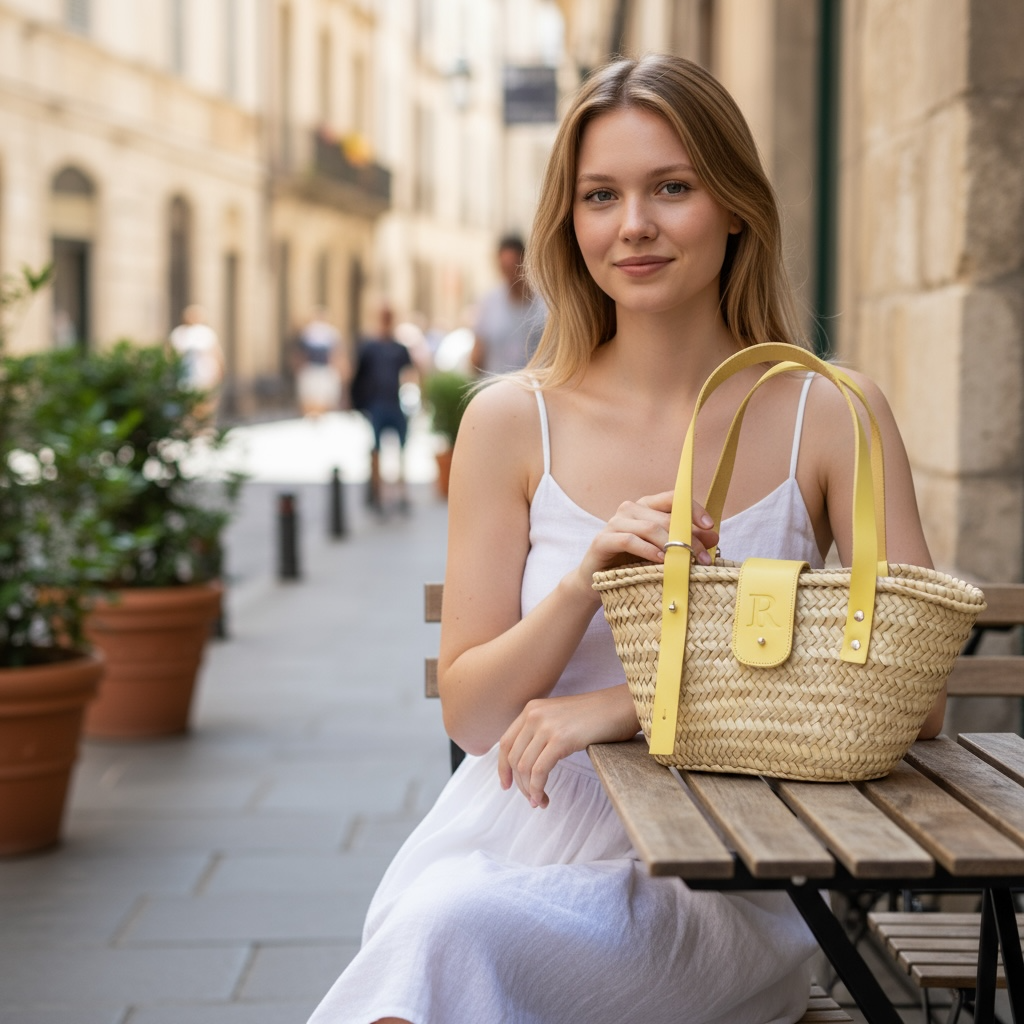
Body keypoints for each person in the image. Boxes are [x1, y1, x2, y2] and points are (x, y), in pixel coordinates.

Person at [307, 53, 939, 1024]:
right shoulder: (511, 421)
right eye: (599, 195)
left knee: (443, 943)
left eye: (670, 188)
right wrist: (580, 585)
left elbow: (915, 695)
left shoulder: (829, 412)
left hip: (724, 870)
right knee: (441, 928)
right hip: (513, 833)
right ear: (570, 224)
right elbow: (476, 720)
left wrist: (619, 706)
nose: (632, 224)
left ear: (733, 207)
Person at [350, 305, 415, 512]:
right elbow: (358, 377)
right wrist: (358, 404)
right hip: (377, 404)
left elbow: (410, 373)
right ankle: (377, 495)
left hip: (395, 404)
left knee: (402, 450)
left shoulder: (399, 348)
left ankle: (401, 493)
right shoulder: (369, 347)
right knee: (377, 450)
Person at [470, 233, 547, 375]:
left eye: (513, 267)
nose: (509, 274)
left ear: (524, 262)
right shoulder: (488, 302)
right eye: (504, 267)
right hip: (494, 388)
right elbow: (477, 355)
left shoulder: (545, 305)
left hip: (534, 391)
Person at [168, 304, 224, 420]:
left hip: (204, 373)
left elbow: (216, 353)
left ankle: (204, 423)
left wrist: (219, 371)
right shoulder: (179, 333)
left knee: (205, 400)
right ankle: (191, 424)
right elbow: (170, 353)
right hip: (186, 373)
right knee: (188, 400)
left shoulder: (206, 333)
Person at [294, 308, 348, 419]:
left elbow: (336, 355)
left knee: (323, 403)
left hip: (323, 373)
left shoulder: (328, 334)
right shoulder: (308, 333)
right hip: (313, 372)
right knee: (313, 403)